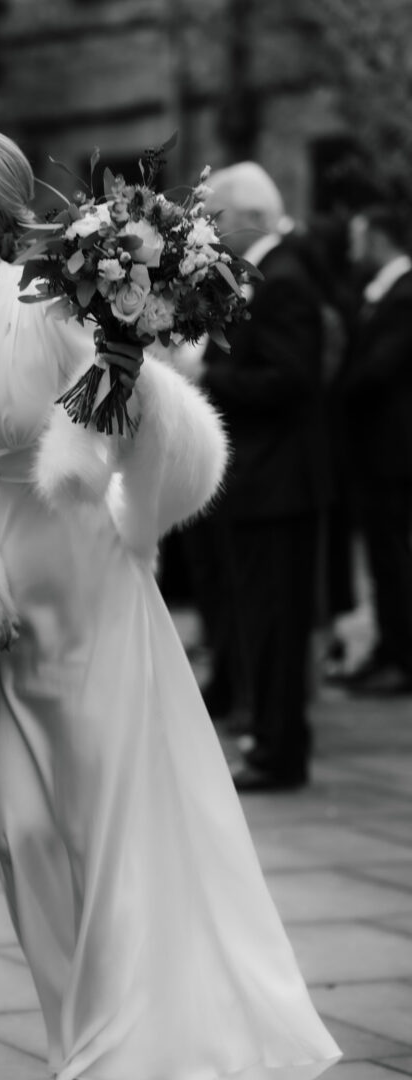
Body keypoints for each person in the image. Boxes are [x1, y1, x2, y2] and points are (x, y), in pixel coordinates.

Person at [0, 125, 340, 1080]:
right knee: (20, 835)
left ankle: (88, 1073)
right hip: (2, 613)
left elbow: (162, 442)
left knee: (94, 839)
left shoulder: (52, 310)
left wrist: (123, 379)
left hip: (92, 594)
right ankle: (77, 1045)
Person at [194, 163, 330, 792]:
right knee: (261, 621)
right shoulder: (271, 275)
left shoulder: (285, 279)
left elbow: (292, 379)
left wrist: (207, 378)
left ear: (246, 217)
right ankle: (270, 740)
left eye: (217, 220)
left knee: (276, 624)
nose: (213, 234)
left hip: (280, 486)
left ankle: (279, 752)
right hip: (261, 483)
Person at [333, 205, 412, 696]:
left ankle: (403, 658)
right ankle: (388, 647)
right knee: (382, 555)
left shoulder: (403, 295)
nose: (353, 247)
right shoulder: (383, 291)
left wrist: (337, 389)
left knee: (392, 554)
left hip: (394, 447)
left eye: (359, 236)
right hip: (377, 446)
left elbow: (381, 367)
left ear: (381, 238)